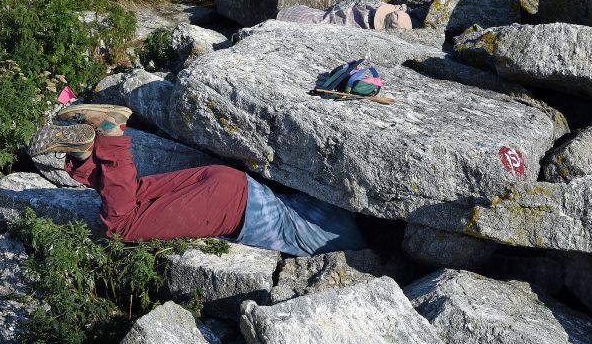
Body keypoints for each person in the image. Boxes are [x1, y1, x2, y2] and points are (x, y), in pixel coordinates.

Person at [27, 104, 366, 256]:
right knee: (123, 225)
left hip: (232, 182)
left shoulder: (337, 208)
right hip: (233, 210)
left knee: (135, 195)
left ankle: (84, 154)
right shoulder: (348, 241)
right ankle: (112, 132)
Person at [276, 2, 412, 30]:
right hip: (296, 21)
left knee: (322, 17)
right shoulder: (363, 28)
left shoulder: (367, 10)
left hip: (296, 13)